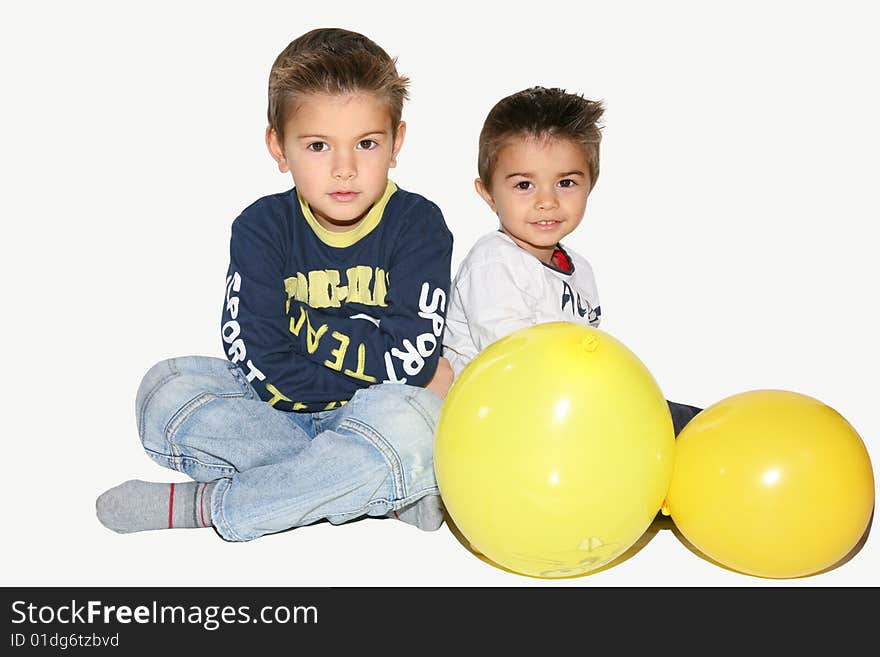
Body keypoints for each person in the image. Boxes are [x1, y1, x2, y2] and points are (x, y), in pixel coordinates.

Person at [96, 28, 455, 542]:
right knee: (165, 389)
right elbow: (255, 352)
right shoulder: (261, 227)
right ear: (278, 147)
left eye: (367, 143)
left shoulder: (418, 226)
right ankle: (368, 492)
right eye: (317, 146)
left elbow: (410, 357)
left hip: (374, 416)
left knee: (413, 422)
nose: (344, 168)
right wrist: (380, 379)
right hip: (274, 414)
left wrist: (389, 384)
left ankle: (213, 505)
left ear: (396, 142)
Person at [443, 86, 701, 435]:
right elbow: (514, 363)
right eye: (524, 186)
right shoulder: (494, 263)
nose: (546, 201)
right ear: (488, 193)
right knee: (660, 422)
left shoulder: (580, 271)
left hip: (563, 407)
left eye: (565, 183)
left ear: (590, 185)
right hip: (503, 418)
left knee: (681, 418)